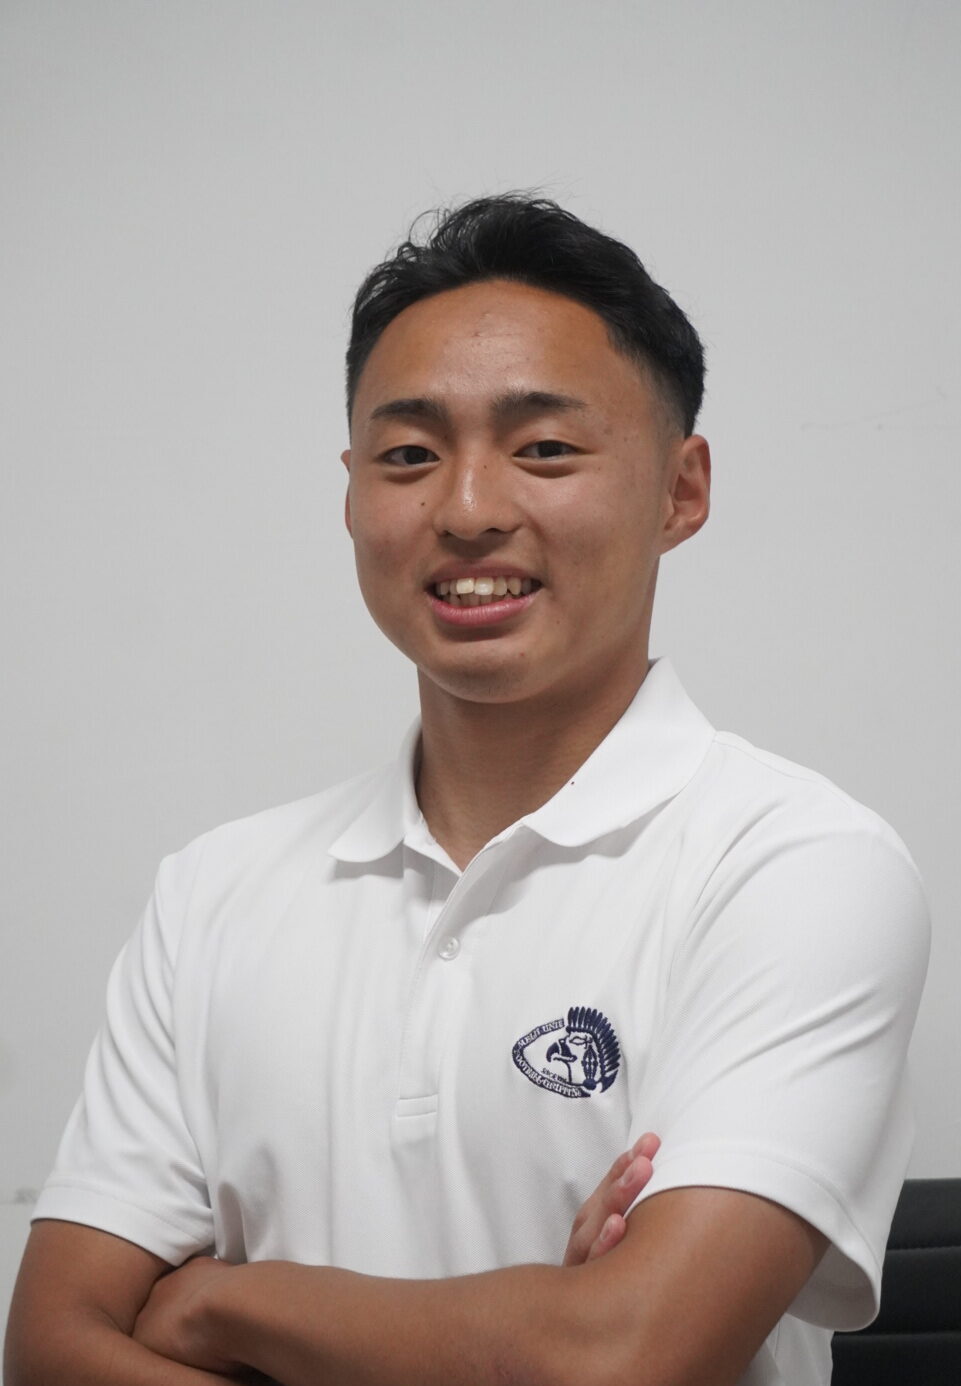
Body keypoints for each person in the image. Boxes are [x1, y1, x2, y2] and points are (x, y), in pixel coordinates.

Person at [5, 195, 930, 1386]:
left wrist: (223, 1305)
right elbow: (50, 1349)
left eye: (543, 449)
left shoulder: (793, 867)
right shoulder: (213, 894)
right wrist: (536, 1324)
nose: (467, 510)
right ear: (351, 493)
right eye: (408, 456)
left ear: (680, 491)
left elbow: (622, 1357)